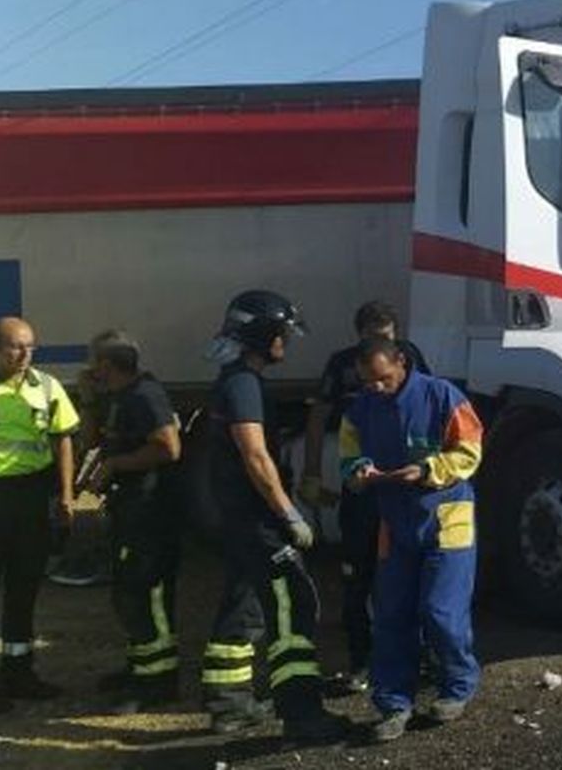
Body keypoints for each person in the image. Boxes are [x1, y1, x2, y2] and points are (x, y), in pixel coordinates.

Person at [199, 290, 349, 742]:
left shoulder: (233, 380)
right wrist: (288, 513)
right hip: (258, 521)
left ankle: (230, 705)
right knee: (292, 606)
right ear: (261, 335)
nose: (285, 341)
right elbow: (255, 455)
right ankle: (301, 714)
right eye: (281, 333)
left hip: (239, 517)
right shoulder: (244, 385)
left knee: (242, 605)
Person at [339, 337, 483, 742]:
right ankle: (393, 704)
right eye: (368, 381)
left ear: (401, 362)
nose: (376, 387)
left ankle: (457, 686)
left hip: (447, 518)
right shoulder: (361, 408)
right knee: (391, 615)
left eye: (383, 379)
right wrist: (358, 471)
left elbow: (470, 451)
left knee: (441, 611)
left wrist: (427, 470)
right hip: (395, 523)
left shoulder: (442, 396)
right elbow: (348, 454)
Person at [0, 317, 79, 713]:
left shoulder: (47, 387)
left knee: (24, 587)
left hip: (31, 498)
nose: (24, 354)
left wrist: (67, 495)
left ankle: (19, 673)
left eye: (30, 346)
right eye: (15, 346)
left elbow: (63, 440)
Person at [302, 300, 429, 693]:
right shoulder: (342, 365)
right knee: (358, 574)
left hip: (405, 485)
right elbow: (319, 416)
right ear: (358, 336)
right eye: (373, 338)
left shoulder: (410, 357)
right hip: (362, 485)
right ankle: (362, 659)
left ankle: (418, 658)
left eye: (388, 338)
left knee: (412, 571)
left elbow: (428, 409)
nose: (382, 346)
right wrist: (311, 471)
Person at [80, 330, 184, 713]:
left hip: (150, 514)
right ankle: (140, 667)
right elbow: (89, 441)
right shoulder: (116, 397)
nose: (90, 369)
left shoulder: (145, 395)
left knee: (146, 595)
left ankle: (157, 683)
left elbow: (169, 447)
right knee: (127, 593)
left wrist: (115, 465)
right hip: (129, 511)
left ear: (105, 364)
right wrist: (88, 400)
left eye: (93, 362)